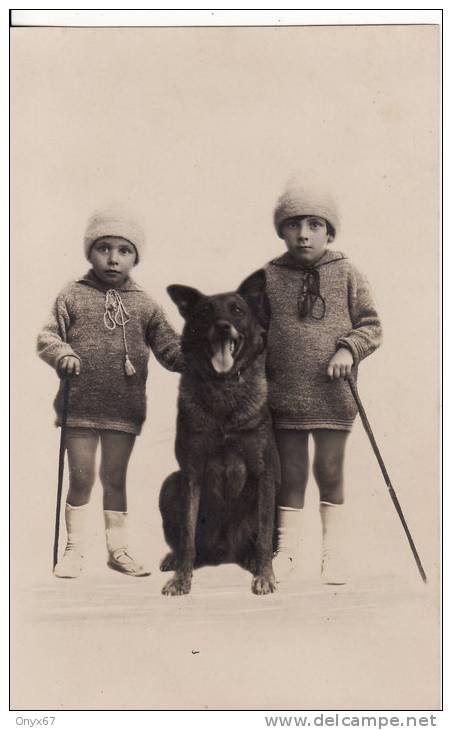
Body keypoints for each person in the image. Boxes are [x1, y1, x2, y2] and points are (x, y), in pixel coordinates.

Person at [37, 208, 183, 578]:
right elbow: (47, 336)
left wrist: (205, 357)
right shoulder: (72, 295)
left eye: (123, 250)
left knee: (115, 478)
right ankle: (74, 550)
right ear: (90, 252)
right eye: (104, 248)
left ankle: (118, 550)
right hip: (81, 407)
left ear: (135, 256)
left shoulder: (146, 304)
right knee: (82, 476)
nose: (113, 258)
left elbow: (170, 350)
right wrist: (63, 353)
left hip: (124, 407)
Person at [264, 182, 382, 584]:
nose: (303, 233)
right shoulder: (269, 276)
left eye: (315, 224)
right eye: (294, 224)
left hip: (333, 394)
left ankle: (334, 555)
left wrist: (348, 349)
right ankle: (287, 552)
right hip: (283, 395)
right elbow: (255, 333)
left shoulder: (347, 272)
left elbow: (371, 325)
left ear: (329, 232)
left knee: (330, 470)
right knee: (290, 472)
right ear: (281, 231)